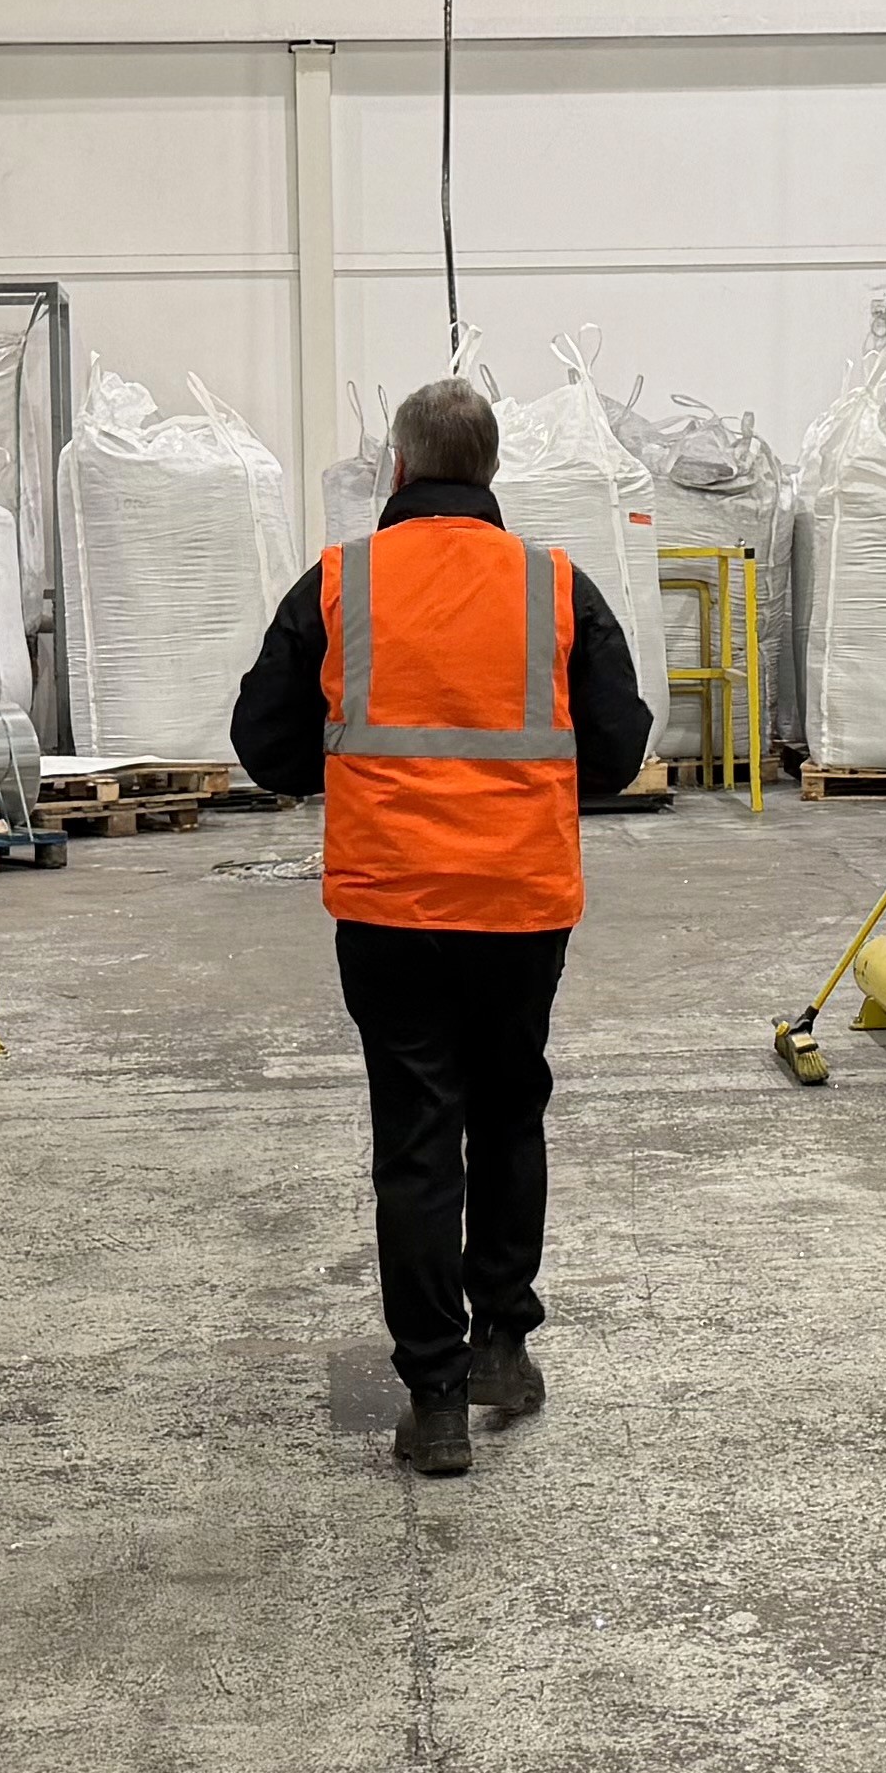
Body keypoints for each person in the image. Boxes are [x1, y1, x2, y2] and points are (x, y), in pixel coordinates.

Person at [229, 377, 655, 1477]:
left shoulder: (340, 582)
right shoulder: (556, 585)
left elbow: (263, 745)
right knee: (510, 1111)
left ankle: (436, 1395)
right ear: (491, 470)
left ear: (401, 470)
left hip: (390, 903)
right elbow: (616, 751)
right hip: (521, 901)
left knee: (418, 1138)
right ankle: (504, 1345)